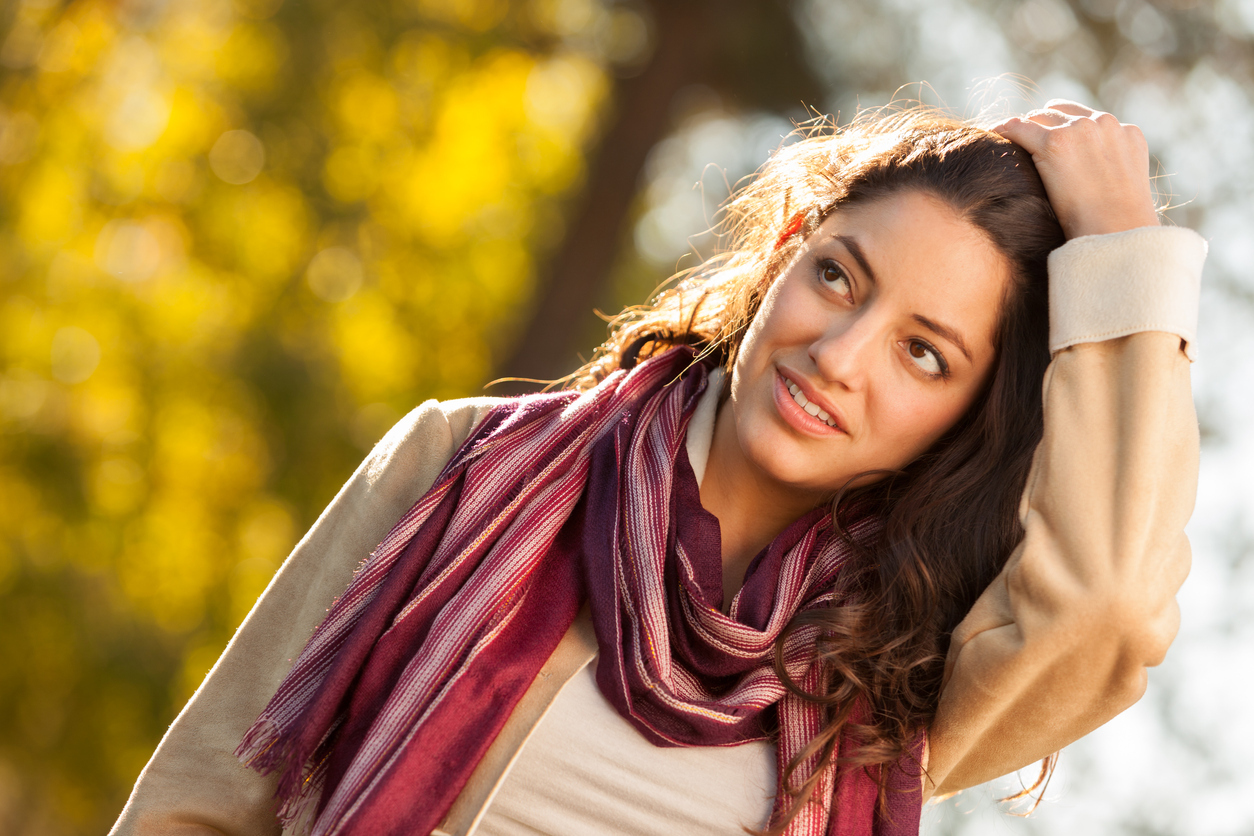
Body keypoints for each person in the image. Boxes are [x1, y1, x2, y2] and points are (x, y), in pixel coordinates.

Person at [109, 100, 1205, 836]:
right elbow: (201, 804)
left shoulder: (900, 678)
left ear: (963, 416)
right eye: (838, 277)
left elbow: (1105, 601)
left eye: (925, 353)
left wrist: (1123, 243)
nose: (839, 356)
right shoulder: (462, 467)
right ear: (783, 245)